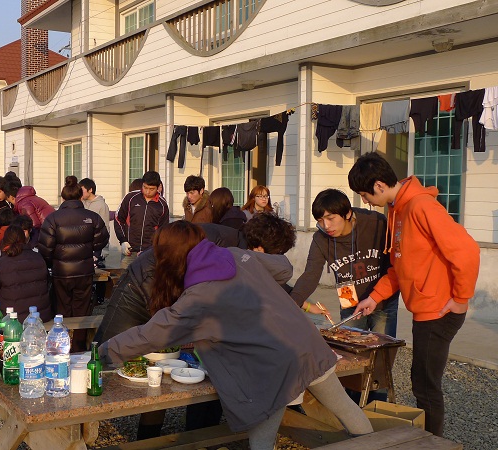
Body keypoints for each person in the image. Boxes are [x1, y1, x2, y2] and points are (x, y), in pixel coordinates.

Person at [99, 221, 373, 449]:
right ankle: (381, 444)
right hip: (308, 343)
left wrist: (104, 351)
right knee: (345, 408)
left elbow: (151, 334)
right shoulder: (235, 255)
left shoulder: (198, 297)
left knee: (261, 441)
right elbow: (284, 267)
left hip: (275, 367)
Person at [94, 221, 292, 439]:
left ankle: (189, 435)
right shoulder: (219, 249)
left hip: (174, 296)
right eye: (274, 253)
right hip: (142, 288)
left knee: (172, 367)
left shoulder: (235, 255)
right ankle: (91, 427)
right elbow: (160, 330)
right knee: (104, 362)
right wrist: (102, 352)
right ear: (261, 247)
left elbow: (280, 272)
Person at [349, 152, 480, 437]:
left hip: (439, 310)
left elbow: (467, 251)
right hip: (425, 309)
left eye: (364, 194)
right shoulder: (398, 210)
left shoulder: (421, 206)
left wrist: (461, 299)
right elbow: (400, 267)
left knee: (425, 385)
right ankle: (429, 439)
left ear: (379, 186)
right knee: (421, 380)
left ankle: (433, 442)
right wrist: (374, 297)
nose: (365, 201)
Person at [290, 189, 399, 336]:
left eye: (330, 218)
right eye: (320, 220)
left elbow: (396, 261)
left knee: (382, 346)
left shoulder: (375, 223)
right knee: (350, 347)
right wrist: (292, 303)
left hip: (383, 302)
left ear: (347, 214)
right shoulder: (321, 239)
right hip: (350, 304)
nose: (326, 226)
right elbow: (311, 274)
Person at [38, 176, 109, 351]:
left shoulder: (53, 219)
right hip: (84, 271)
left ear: (63, 198)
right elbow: (102, 240)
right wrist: (88, 249)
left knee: (61, 308)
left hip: (61, 272)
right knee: (82, 309)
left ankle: (61, 346)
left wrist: (52, 262)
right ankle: (78, 347)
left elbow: (45, 247)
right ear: (79, 196)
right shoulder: (92, 217)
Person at [0, 225, 53, 323]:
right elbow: (47, 283)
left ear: (6, 240)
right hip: (41, 316)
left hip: (12, 318)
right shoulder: (39, 257)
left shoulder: (1, 263)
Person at [114, 171, 169, 269]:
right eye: (145, 187)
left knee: (147, 278)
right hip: (129, 250)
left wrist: (155, 248)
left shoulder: (162, 205)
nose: (147, 192)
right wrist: (123, 241)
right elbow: (118, 218)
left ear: (158, 188)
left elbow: (163, 230)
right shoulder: (131, 198)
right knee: (125, 276)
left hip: (149, 252)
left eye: (151, 189)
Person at [79, 177, 111, 266]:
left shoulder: (101, 205)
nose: (80, 193)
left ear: (90, 190)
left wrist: (104, 249)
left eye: (82, 190)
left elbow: (105, 227)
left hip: (96, 247)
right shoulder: (81, 203)